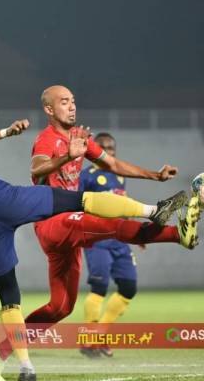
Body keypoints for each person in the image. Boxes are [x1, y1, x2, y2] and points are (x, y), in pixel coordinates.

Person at [0, 90, 198, 381]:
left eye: (73, 101)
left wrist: (154, 175)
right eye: (65, 102)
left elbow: (111, 164)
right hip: (45, 219)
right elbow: (20, 160)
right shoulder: (42, 138)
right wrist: (6, 132)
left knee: (54, 305)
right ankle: (167, 224)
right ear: (49, 109)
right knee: (93, 211)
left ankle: (9, 360)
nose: (72, 106)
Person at [78, 132, 140, 358]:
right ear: (93, 152)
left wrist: (135, 234)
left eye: (111, 147)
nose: (108, 151)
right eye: (102, 147)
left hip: (121, 240)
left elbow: (123, 206)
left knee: (128, 288)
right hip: (97, 240)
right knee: (99, 287)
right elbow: (75, 205)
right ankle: (89, 340)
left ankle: (101, 335)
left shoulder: (121, 175)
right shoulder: (86, 177)